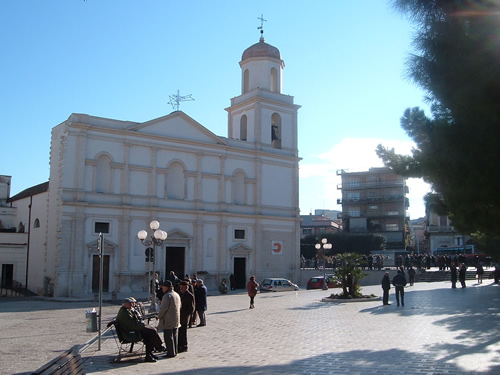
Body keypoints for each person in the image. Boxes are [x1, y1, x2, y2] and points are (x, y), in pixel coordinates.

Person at [116, 297, 164, 363]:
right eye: (131, 304)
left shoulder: (127, 310)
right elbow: (132, 325)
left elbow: (135, 321)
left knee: (152, 331)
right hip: (130, 333)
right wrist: (142, 326)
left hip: (133, 330)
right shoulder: (124, 313)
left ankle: (151, 352)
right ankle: (150, 353)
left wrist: (142, 325)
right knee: (151, 332)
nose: (132, 305)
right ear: (126, 304)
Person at [157, 280, 181, 358]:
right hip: (176, 318)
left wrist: (159, 316)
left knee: (168, 336)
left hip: (168, 319)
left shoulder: (167, 296)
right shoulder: (176, 294)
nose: (162, 289)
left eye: (163, 287)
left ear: (167, 287)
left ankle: (170, 352)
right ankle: (175, 351)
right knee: (175, 336)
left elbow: (164, 308)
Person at [178, 281, 195, 353]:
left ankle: (184, 346)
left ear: (186, 287)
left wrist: (185, 314)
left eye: (182, 287)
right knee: (179, 332)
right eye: (180, 287)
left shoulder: (189, 295)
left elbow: (191, 308)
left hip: (184, 317)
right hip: (179, 316)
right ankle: (179, 345)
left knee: (183, 332)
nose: (181, 288)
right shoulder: (180, 294)